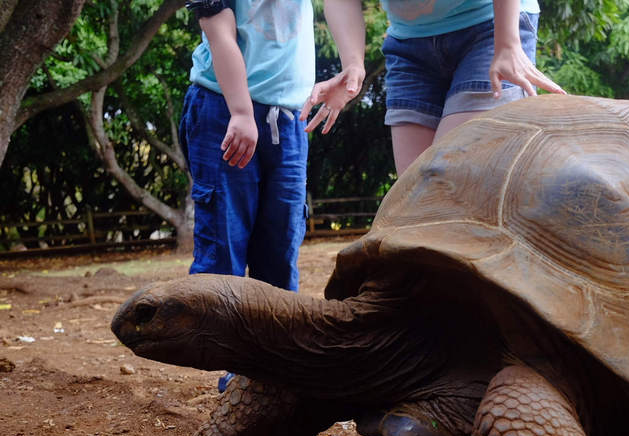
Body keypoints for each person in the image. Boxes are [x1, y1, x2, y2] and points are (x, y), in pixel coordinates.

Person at [180, 0, 364, 391]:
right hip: (223, 108)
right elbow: (218, 31)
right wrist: (241, 112)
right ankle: (234, 364)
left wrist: (353, 67)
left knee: (280, 252)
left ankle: (276, 365)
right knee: (224, 248)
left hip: (289, 117)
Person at [304, 0, 564, 175]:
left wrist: (507, 44)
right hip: (409, 44)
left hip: (491, 28)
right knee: (415, 191)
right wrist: (353, 64)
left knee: (448, 175)